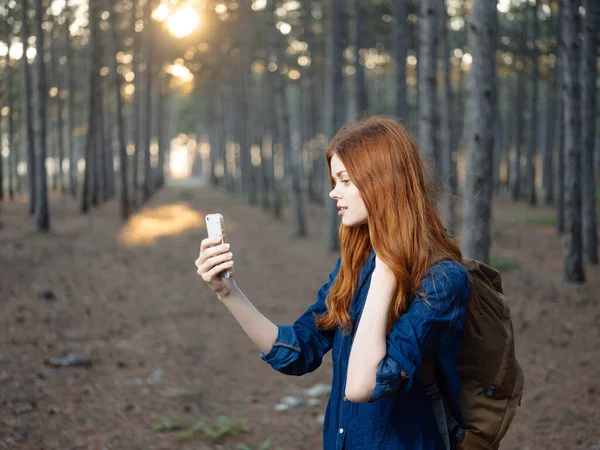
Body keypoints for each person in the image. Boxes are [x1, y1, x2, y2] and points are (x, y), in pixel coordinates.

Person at [195, 116, 471, 449]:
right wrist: (229, 292)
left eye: (344, 180)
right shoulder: (356, 265)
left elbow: (362, 386)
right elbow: (298, 352)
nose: (332, 192)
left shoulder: (441, 281)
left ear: (382, 183)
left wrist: (387, 266)